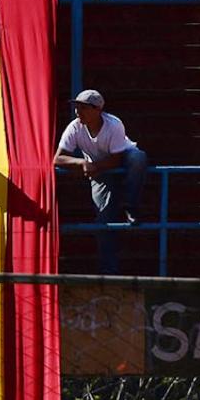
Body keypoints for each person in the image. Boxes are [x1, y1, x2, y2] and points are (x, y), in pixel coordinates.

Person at [54, 89, 149, 274]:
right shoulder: (75, 127)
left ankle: (131, 205)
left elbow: (116, 159)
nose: (77, 112)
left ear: (97, 110)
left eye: (83, 108)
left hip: (119, 159)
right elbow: (58, 159)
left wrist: (93, 166)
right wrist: (82, 162)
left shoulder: (114, 125)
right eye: (76, 107)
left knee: (138, 158)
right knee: (104, 220)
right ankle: (109, 273)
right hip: (99, 170)